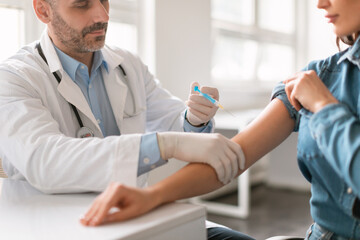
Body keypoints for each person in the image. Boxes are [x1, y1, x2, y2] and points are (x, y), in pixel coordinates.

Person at [80, 0, 360, 239]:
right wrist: (151, 196)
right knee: (202, 234)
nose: (320, 3)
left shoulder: (318, 91)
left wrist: (324, 108)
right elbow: (234, 155)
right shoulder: (320, 76)